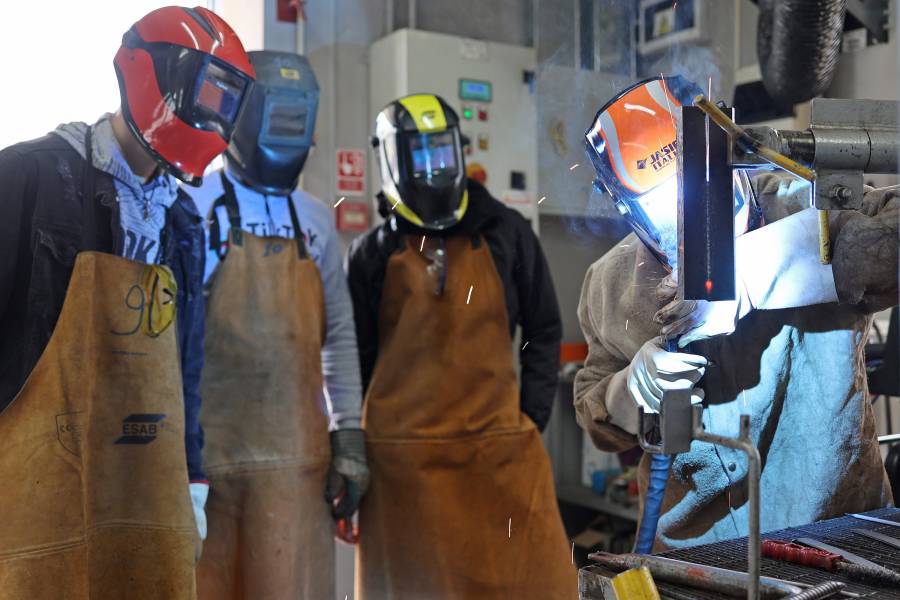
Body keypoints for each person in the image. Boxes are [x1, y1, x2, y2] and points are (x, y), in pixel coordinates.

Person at [575, 75, 898, 551]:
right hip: (695, 551)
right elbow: (593, 413)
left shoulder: (806, 203)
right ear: (625, 207)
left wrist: (751, 273)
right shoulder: (611, 281)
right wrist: (630, 391)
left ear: (731, 156)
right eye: (662, 209)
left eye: (699, 191)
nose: (688, 221)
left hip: (838, 526)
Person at [0, 6, 254, 596]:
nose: (213, 114)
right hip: (28, 479)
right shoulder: (27, 180)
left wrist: (191, 480)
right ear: (153, 74)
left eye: (227, 101)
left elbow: (184, 363)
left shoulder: (182, 222)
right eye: (207, 93)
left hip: (141, 474)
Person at [347, 93, 576, 598]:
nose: (433, 170)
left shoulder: (507, 234)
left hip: (496, 460)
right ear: (390, 159)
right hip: (402, 475)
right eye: (419, 156)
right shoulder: (371, 254)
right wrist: (350, 449)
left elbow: (543, 330)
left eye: (441, 154)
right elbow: (351, 361)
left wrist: (526, 421)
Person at [189, 51, 367, 599]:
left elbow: (336, 335)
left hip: (297, 474)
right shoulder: (194, 203)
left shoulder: (315, 217)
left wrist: (350, 437)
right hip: (211, 473)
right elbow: (175, 347)